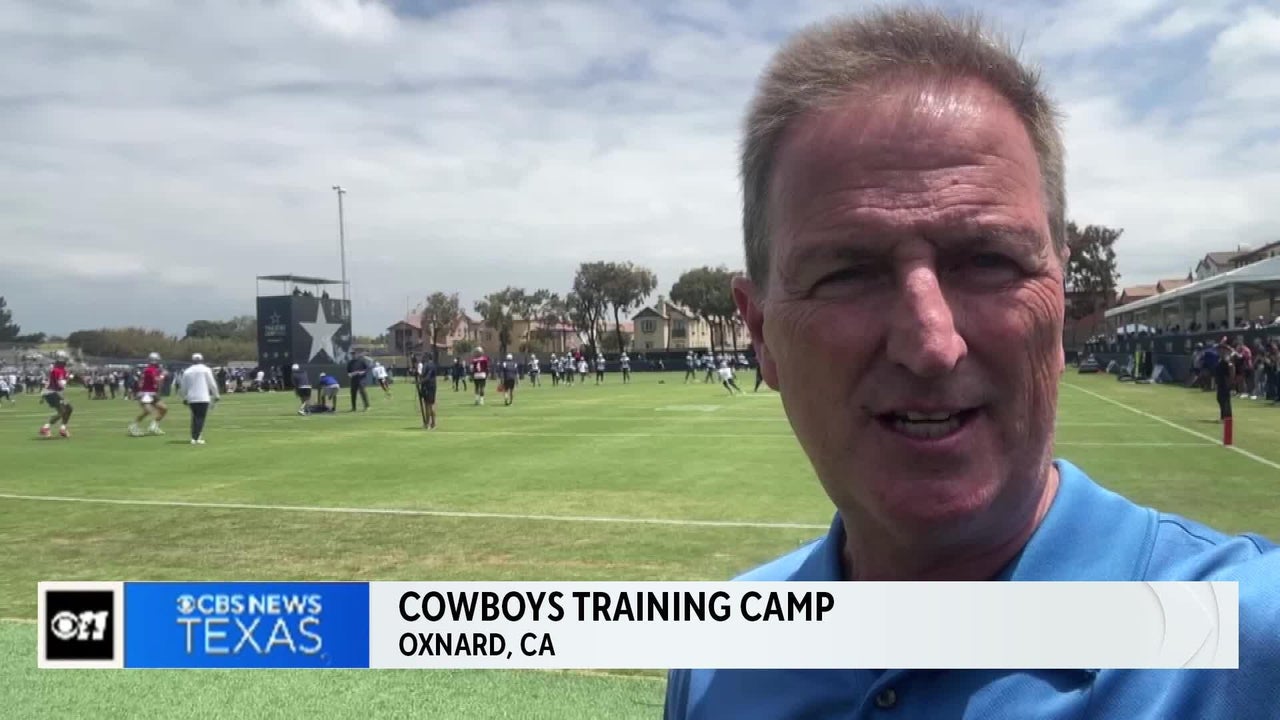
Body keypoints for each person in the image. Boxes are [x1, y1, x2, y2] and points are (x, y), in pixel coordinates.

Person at [664, 9, 1280, 719]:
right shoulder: (721, 660)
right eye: (847, 273)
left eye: (989, 261)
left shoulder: (1250, 641)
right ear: (761, 333)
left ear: (1059, 301)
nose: (932, 343)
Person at [177, 353, 219, 444]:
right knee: (201, 418)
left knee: (195, 417)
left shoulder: (187, 371)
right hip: (203, 397)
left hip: (191, 398)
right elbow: (212, 384)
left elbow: (183, 387)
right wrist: (216, 395)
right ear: (201, 360)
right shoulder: (206, 369)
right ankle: (197, 438)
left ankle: (194, 437)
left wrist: (184, 397)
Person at [129, 352, 167, 436]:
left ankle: (153, 426)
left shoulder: (154, 370)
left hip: (152, 393)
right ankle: (133, 426)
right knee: (147, 411)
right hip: (146, 393)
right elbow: (157, 380)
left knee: (164, 409)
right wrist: (163, 375)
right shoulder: (149, 370)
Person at [38, 350, 74, 438]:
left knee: (69, 409)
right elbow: (61, 384)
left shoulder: (60, 370)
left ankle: (63, 428)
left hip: (53, 392)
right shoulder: (58, 370)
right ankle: (45, 428)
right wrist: (69, 379)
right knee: (62, 411)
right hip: (52, 392)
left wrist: (70, 377)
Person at [1215, 338, 1235, 424]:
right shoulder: (1221, 358)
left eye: (1220, 349)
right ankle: (1224, 417)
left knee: (1225, 400)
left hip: (1225, 381)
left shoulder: (1226, 358)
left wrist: (1231, 381)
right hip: (1221, 381)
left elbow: (1231, 368)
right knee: (1220, 399)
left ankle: (1226, 418)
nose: (1218, 351)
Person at [416, 353, 438, 429]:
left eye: (424, 357)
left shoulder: (430, 365)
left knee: (429, 405)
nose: (423, 359)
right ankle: (429, 423)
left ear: (428, 357)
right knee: (428, 405)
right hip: (430, 386)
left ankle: (430, 423)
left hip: (429, 387)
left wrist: (420, 382)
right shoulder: (430, 365)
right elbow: (423, 375)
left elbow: (428, 376)